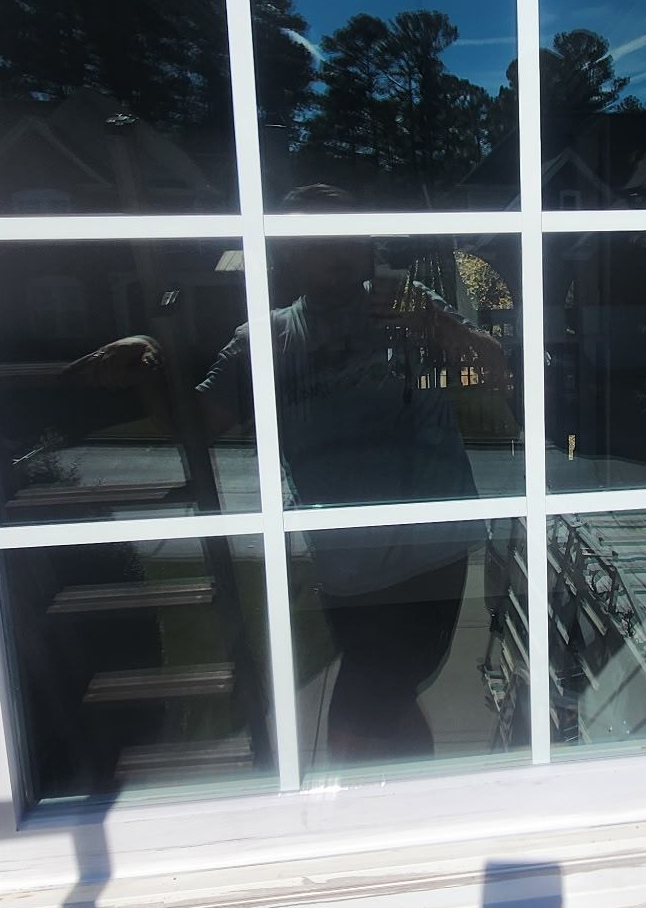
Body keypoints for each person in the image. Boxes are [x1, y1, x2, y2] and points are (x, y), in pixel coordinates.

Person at [71, 188, 514, 767]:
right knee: (383, 695)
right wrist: (149, 358)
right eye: (316, 241)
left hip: (431, 548)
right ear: (290, 256)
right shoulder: (267, 339)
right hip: (347, 565)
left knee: (369, 699)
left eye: (347, 237)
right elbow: (194, 426)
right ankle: (408, 800)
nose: (338, 250)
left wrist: (433, 320)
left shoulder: (410, 305)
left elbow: (499, 373)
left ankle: (373, 812)